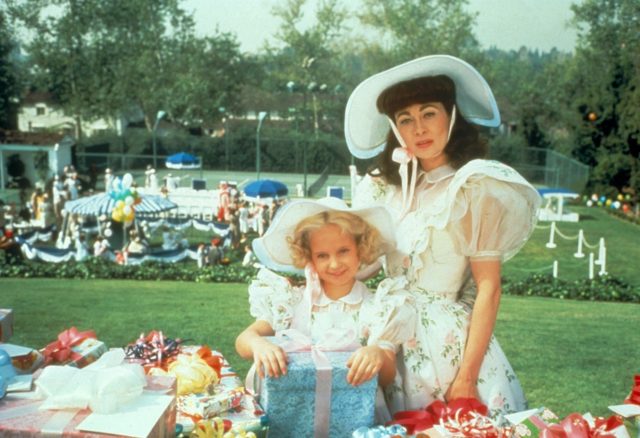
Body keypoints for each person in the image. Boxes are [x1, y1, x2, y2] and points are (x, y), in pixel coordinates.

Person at [343, 55, 541, 419]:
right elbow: (361, 268)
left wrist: (466, 377)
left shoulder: (473, 188)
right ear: (395, 129)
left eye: (428, 113)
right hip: (385, 334)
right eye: (405, 119)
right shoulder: (385, 190)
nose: (418, 128)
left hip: (444, 348)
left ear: (450, 116)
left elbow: (489, 289)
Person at [235, 197, 414, 410]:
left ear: (361, 249)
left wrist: (376, 354)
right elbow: (243, 341)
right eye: (322, 255)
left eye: (343, 251)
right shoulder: (291, 302)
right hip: (296, 412)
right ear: (308, 258)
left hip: (356, 414)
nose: (334, 263)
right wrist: (258, 344)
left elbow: (387, 376)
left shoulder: (378, 307)